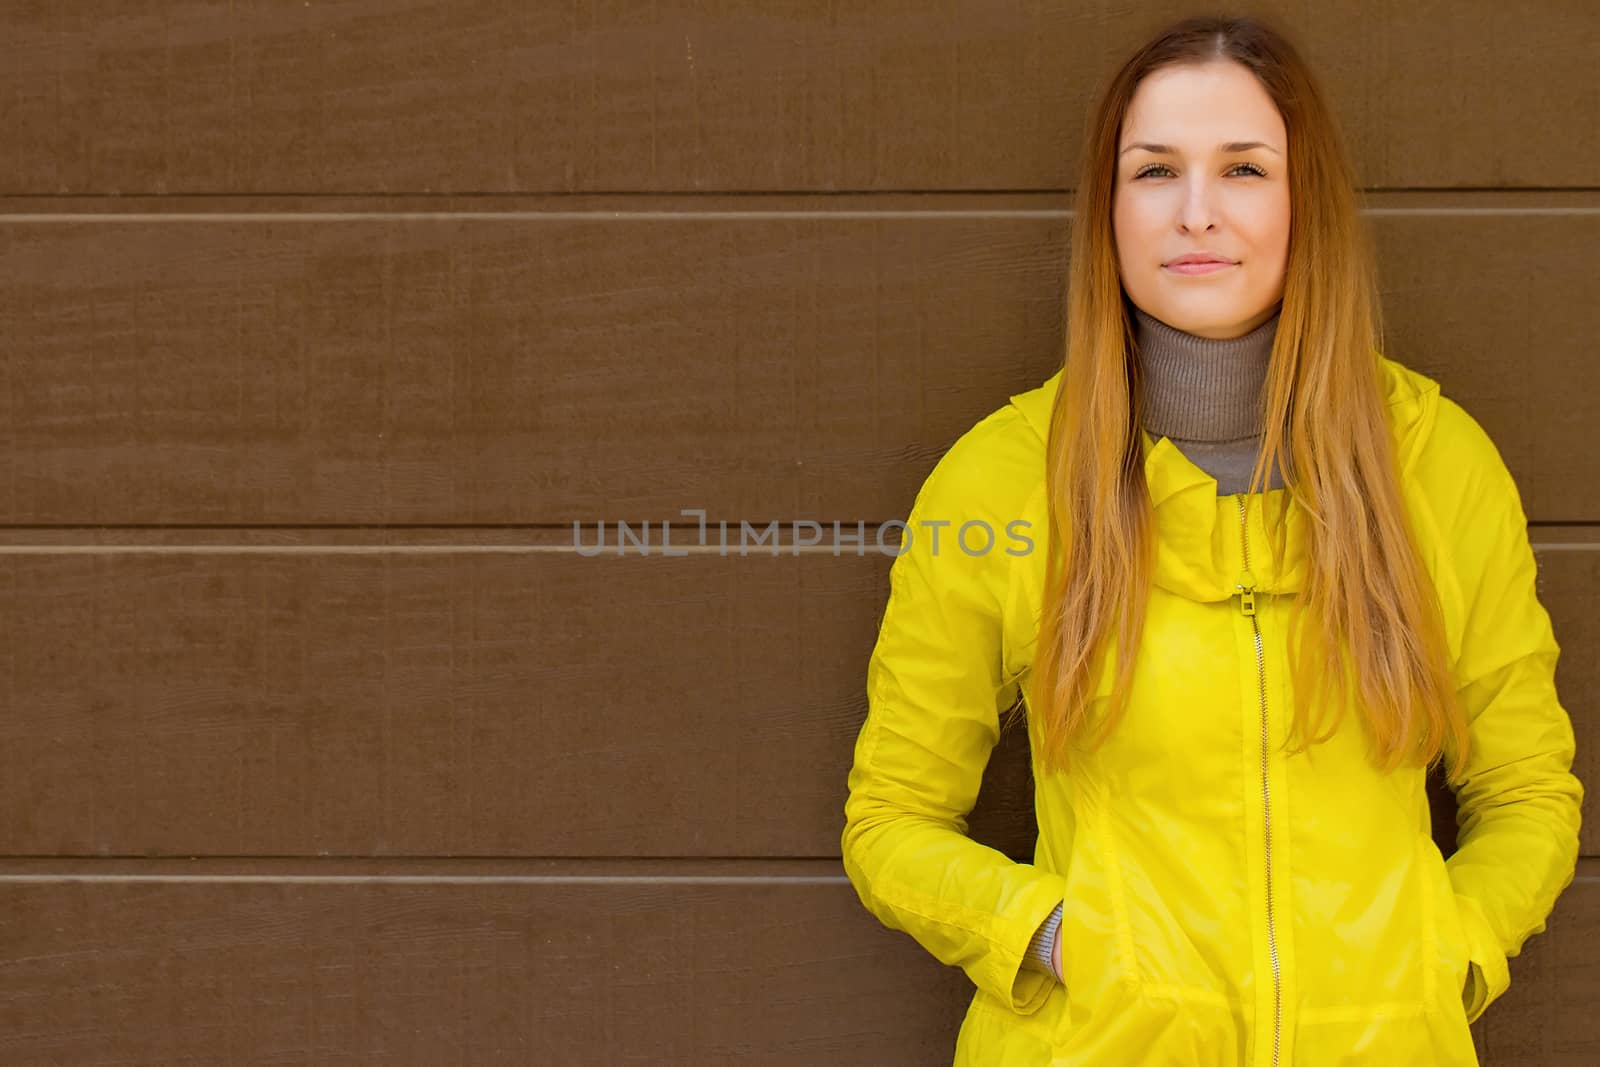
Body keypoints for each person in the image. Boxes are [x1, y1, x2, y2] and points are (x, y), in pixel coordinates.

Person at [839, 14, 1582, 1066]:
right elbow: (891, 819)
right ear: (1109, 208)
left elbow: (1526, 791)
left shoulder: (1436, 464)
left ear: (1300, 199)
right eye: (1153, 171)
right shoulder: (1002, 478)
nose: (1197, 213)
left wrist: (1446, 951)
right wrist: (1057, 937)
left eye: (1242, 168)